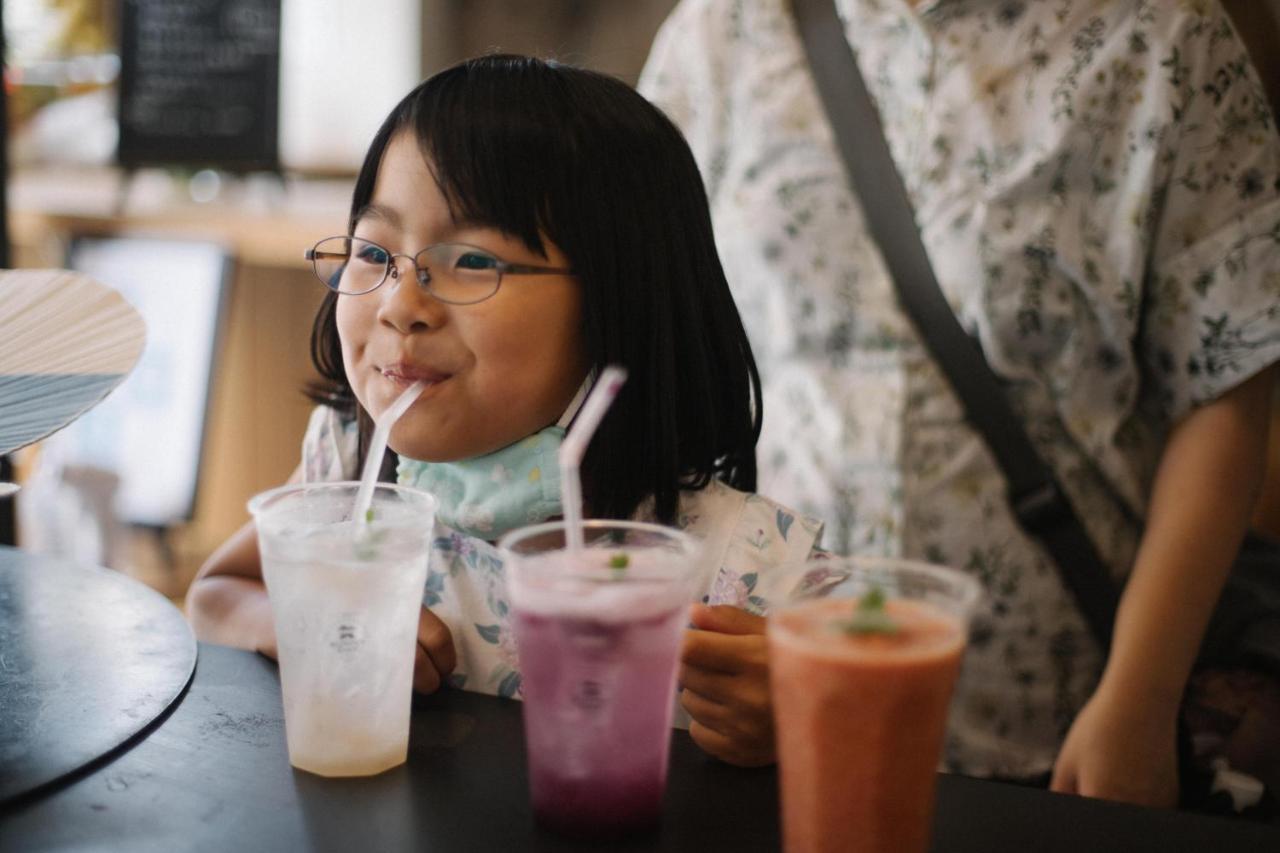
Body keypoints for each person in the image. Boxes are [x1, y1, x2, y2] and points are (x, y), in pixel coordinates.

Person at [638, 0, 1280, 805]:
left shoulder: (1160, 39)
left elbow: (1223, 394)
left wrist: (1140, 697)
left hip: (1055, 710)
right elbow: (645, 341)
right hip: (768, 706)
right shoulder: (723, 33)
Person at [186, 54, 823, 768]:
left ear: (618, 298)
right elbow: (216, 592)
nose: (401, 306)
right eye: (373, 250)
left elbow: (865, 748)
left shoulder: (738, 564)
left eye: (474, 261)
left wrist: (795, 716)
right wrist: (305, 623)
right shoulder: (351, 461)